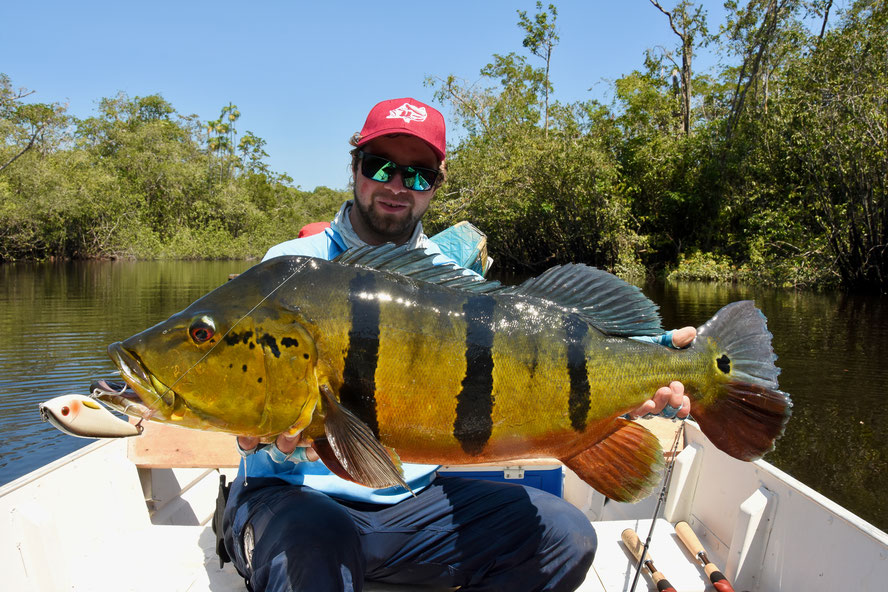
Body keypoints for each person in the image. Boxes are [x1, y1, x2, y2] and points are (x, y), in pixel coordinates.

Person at [222, 97, 695, 592]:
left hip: (410, 509)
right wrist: (249, 435)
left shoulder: (451, 281)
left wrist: (655, 350)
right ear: (355, 165)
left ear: (438, 182)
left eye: (419, 175)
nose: (397, 185)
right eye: (379, 165)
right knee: (310, 548)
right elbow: (232, 381)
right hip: (292, 503)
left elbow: (530, 341)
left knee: (565, 537)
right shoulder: (289, 268)